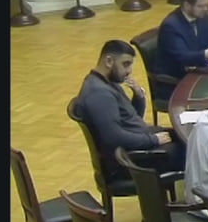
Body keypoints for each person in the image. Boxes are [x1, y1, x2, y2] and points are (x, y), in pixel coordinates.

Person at [73, 40, 185, 178]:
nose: (129, 71)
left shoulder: (107, 82)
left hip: (137, 144)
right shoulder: (99, 94)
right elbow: (113, 137)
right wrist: (153, 140)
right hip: (128, 162)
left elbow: (131, 119)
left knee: (185, 137)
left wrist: (138, 98)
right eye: (125, 64)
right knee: (189, 150)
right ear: (109, 61)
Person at [154, 0, 208, 102]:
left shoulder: (203, 18)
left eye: (206, 5)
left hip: (201, 74)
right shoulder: (171, 26)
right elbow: (182, 57)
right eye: (200, 6)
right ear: (186, 5)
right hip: (176, 82)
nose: (205, 9)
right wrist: (207, 53)